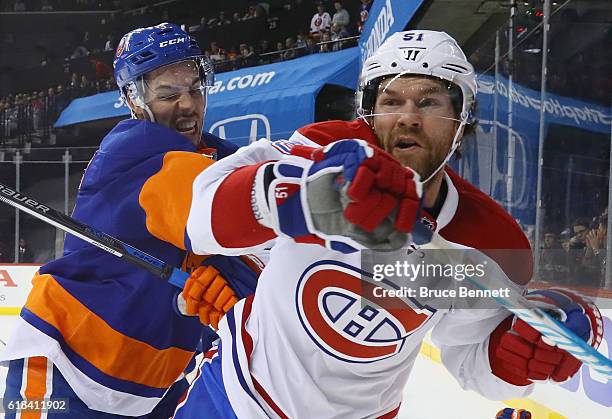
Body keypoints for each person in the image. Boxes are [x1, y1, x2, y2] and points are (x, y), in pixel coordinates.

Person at [163, 31, 603, 417]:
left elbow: (471, 361)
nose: (407, 116)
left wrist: (524, 351)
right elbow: (202, 221)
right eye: (391, 101)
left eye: (428, 100)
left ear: (462, 119)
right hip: (236, 396)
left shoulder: (488, 239)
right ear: (370, 113)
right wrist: (308, 195)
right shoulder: (325, 149)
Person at [0, 23, 260, 418]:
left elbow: (258, 243)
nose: (187, 104)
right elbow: (213, 214)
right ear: (135, 100)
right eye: (168, 94)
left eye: (194, 88)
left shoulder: (220, 156)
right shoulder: (135, 148)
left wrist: (237, 276)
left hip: (156, 379)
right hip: (68, 361)